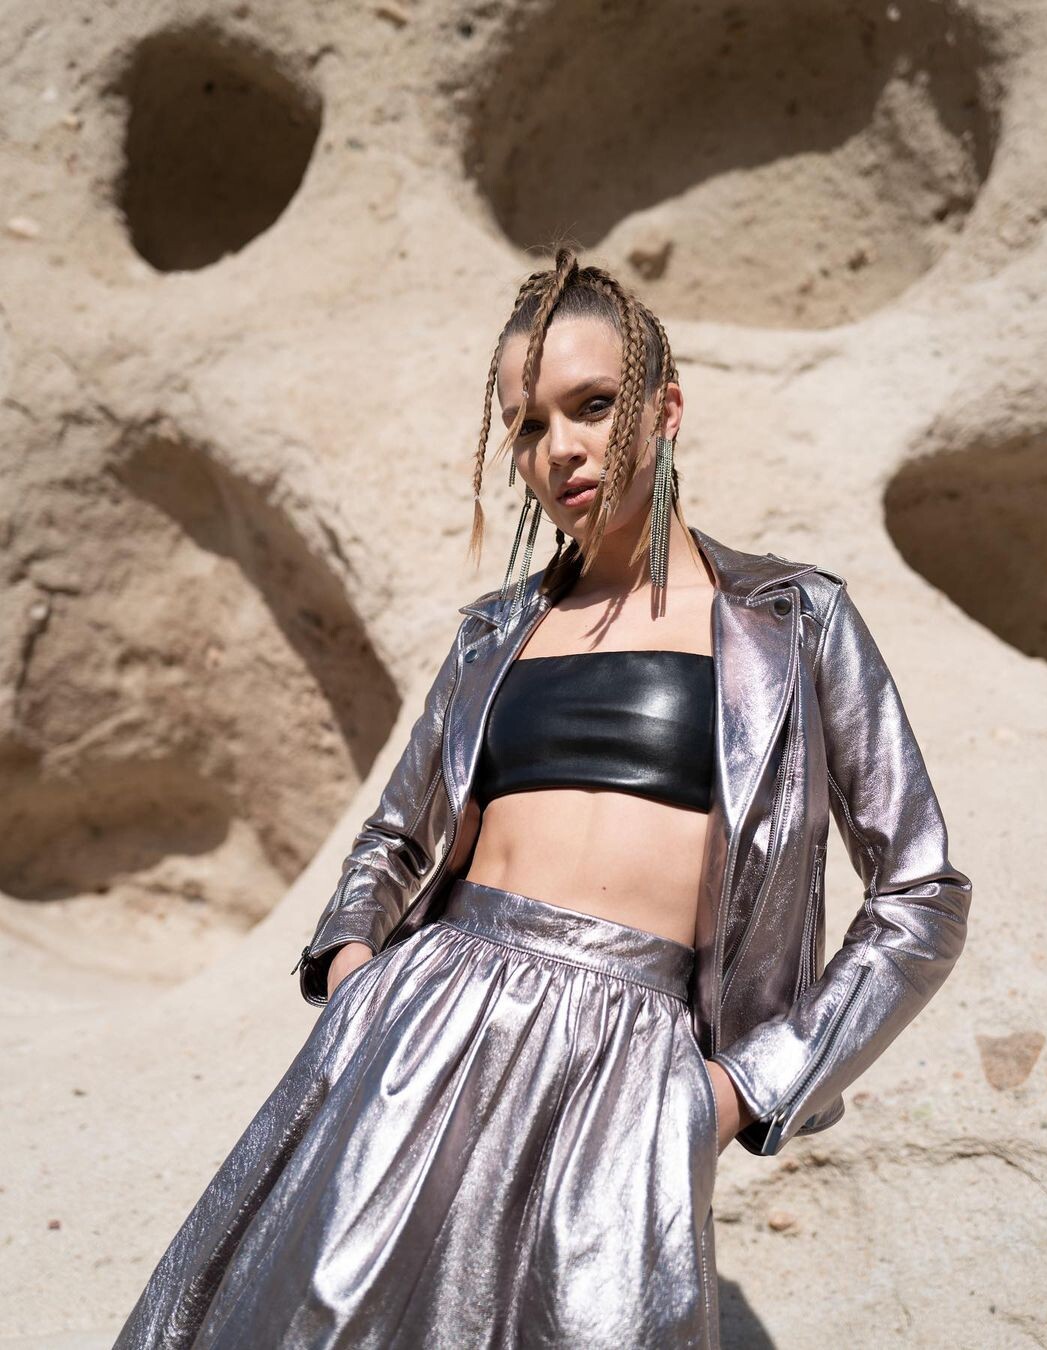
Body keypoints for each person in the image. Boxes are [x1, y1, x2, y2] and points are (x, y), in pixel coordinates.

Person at [112, 248, 972, 1349]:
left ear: (665, 408)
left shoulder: (794, 621)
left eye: (592, 405)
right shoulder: (494, 634)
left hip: (631, 1064)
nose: (558, 447)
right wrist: (356, 972)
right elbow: (396, 835)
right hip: (417, 1031)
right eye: (527, 425)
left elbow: (920, 894)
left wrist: (738, 1089)